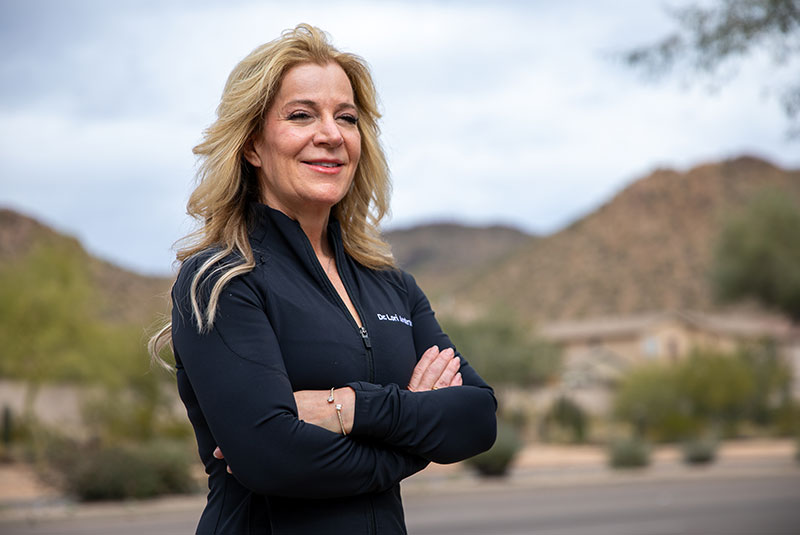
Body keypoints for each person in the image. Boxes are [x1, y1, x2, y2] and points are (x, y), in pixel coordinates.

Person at [149, 23, 497, 535]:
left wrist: (345, 408)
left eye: (347, 117)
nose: (331, 134)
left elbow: (477, 417)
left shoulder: (391, 285)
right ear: (251, 144)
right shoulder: (221, 280)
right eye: (300, 115)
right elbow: (271, 456)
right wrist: (415, 442)